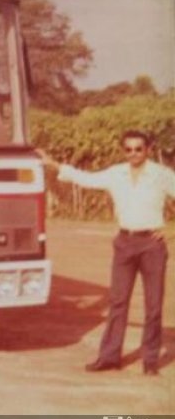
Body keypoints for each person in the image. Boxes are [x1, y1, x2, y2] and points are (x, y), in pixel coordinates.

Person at [38, 130, 175, 376]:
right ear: (124, 151)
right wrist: (53, 163)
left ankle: (150, 360)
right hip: (124, 242)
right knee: (118, 303)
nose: (134, 153)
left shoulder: (161, 175)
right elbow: (85, 178)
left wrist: (171, 232)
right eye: (129, 149)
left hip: (152, 246)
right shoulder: (116, 174)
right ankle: (109, 357)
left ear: (148, 149)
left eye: (138, 149)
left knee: (154, 306)